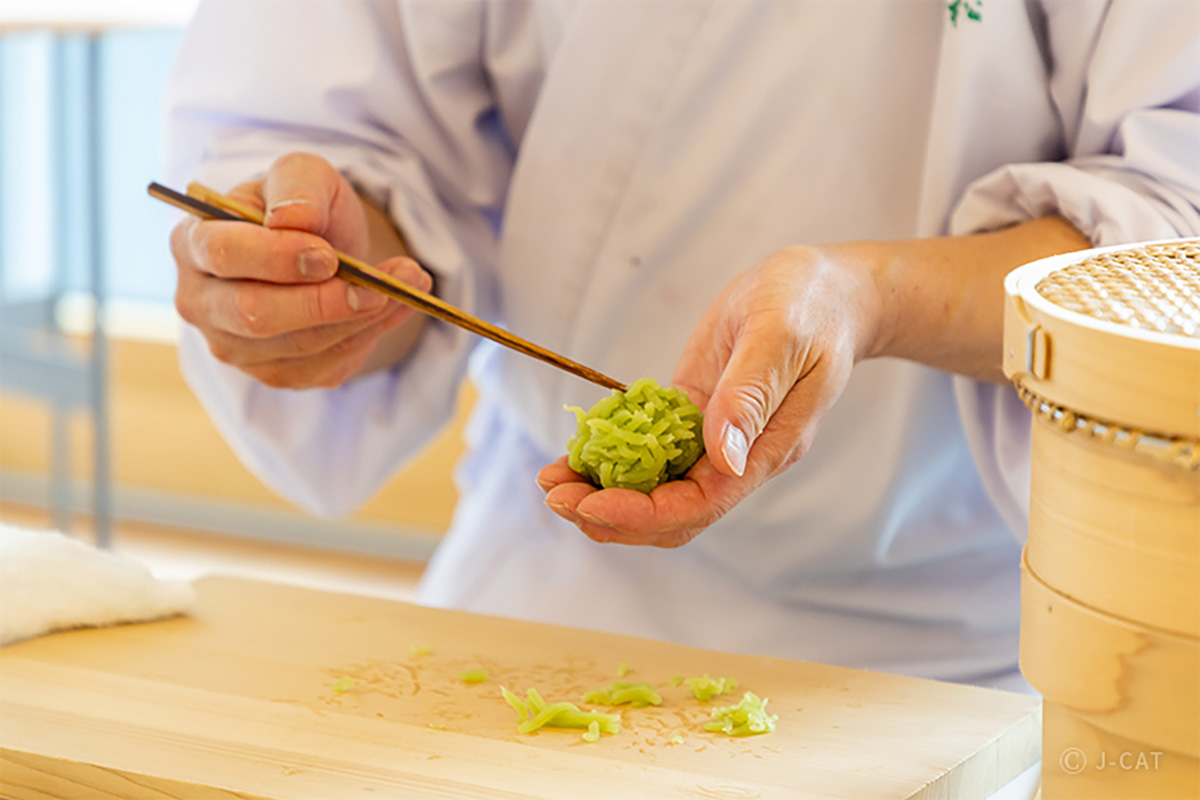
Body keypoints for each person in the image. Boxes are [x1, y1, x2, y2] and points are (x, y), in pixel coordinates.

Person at [165, 0, 1200, 694]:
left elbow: (1172, 236)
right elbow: (358, 131)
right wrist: (332, 269)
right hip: (537, 595)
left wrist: (867, 297)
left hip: (933, 645)